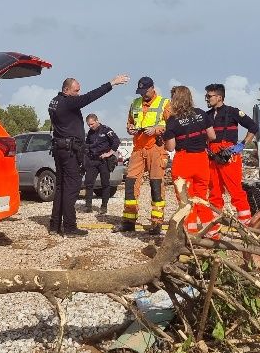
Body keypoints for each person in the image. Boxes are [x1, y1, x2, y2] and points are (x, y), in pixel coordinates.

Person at [48, 75, 130, 236]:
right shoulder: (68, 102)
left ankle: (54, 225)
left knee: (60, 188)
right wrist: (111, 83)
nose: (78, 94)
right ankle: (70, 227)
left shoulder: (54, 101)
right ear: (66, 90)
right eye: (76, 90)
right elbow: (90, 97)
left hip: (59, 148)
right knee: (71, 188)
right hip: (69, 150)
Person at [119, 76, 171, 236]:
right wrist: (130, 129)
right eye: (140, 92)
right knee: (130, 184)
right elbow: (130, 122)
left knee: (156, 185)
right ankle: (129, 221)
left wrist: (157, 129)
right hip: (138, 148)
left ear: (152, 88)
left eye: (145, 91)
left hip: (156, 147)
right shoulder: (135, 103)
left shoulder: (164, 103)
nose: (143, 95)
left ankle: (156, 223)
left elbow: (172, 125)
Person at [204, 83, 259, 232]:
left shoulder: (233, 112)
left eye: (209, 96)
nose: (206, 99)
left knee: (236, 191)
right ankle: (215, 226)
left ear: (219, 97)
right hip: (212, 157)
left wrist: (241, 145)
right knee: (214, 192)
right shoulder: (206, 116)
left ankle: (246, 225)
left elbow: (253, 126)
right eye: (206, 96)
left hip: (229, 155)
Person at [163, 86, 217, 237]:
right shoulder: (201, 113)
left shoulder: (172, 120)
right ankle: (212, 232)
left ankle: (191, 234)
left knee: (186, 201)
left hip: (184, 161)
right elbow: (212, 136)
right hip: (201, 159)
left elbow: (171, 147)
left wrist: (164, 138)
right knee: (201, 198)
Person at [82, 113, 121, 215]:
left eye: (92, 124)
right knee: (89, 183)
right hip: (92, 160)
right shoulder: (90, 132)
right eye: (89, 125)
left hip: (104, 161)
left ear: (97, 121)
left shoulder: (106, 130)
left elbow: (116, 141)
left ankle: (104, 206)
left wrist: (109, 153)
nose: (91, 126)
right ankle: (88, 206)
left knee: (105, 184)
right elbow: (87, 146)